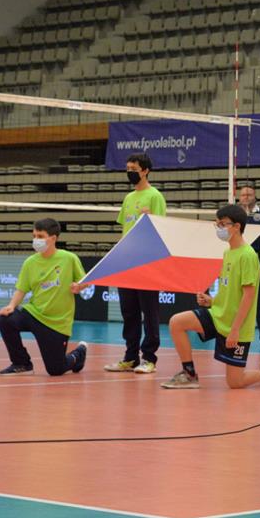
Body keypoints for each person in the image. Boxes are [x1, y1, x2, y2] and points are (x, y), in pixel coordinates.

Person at [161, 205, 260, 389]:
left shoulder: (247, 255)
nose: (219, 228)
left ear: (236, 226)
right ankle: (189, 374)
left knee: (235, 382)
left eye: (222, 224)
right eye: (217, 224)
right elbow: (230, 292)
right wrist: (212, 301)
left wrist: (235, 330)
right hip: (218, 316)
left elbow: (248, 296)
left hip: (237, 326)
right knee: (176, 322)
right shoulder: (228, 253)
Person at [0, 218, 88, 376]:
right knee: (6, 320)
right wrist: (11, 306)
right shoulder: (30, 262)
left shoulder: (69, 258)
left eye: (40, 236)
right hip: (34, 313)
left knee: (55, 369)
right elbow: (21, 289)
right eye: (34, 236)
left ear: (53, 238)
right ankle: (21, 363)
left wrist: (79, 286)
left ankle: (78, 354)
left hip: (57, 323)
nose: (36, 240)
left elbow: (85, 281)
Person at [105, 152, 165, 374]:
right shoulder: (128, 198)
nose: (130, 172)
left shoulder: (155, 196)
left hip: (147, 261)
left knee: (149, 312)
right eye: (128, 169)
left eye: (134, 169)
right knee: (128, 312)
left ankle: (149, 358)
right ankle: (130, 357)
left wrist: (150, 219)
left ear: (145, 171)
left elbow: (161, 229)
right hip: (127, 262)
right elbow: (125, 229)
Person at [238, 183, 260, 347]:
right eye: (243, 195)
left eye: (249, 195)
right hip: (238, 260)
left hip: (258, 259)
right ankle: (234, 332)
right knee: (236, 297)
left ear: (255, 197)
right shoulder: (234, 215)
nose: (246, 197)